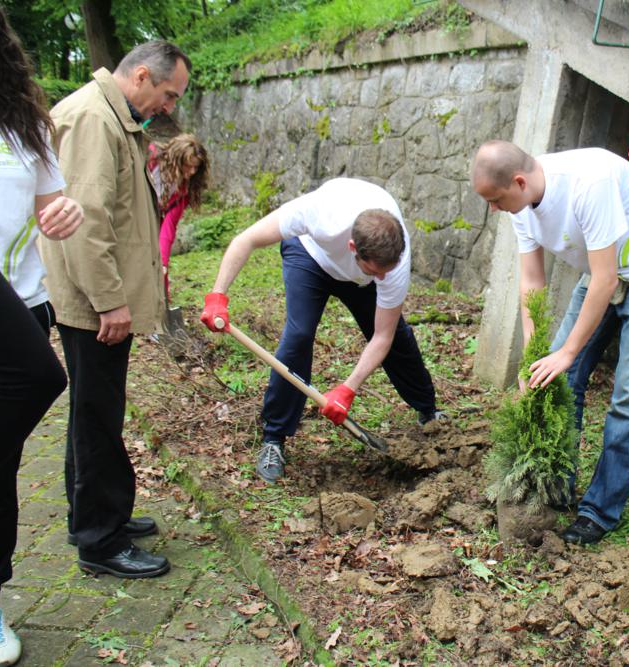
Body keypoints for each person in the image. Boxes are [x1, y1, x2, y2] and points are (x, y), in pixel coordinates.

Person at [471, 141, 629, 545]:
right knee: (559, 382)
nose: (494, 210)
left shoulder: (589, 182)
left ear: (519, 182)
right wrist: (534, 354)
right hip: (603, 271)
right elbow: (532, 280)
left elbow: (605, 280)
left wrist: (568, 352)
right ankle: (559, 489)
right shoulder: (521, 205)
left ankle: (599, 511)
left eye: (496, 200)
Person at [40, 40, 193, 579]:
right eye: (169, 95)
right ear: (142, 75)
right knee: (97, 418)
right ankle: (99, 542)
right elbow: (84, 222)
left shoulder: (114, 117)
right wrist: (109, 302)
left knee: (95, 412)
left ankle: (94, 516)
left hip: (100, 300)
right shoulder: (93, 119)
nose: (168, 107)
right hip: (95, 304)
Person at [199, 178, 445, 483]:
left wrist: (347, 389)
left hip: (359, 279)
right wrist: (217, 296)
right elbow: (246, 240)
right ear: (353, 248)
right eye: (376, 271)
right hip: (310, 257)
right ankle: (274, 438)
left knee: (397, 338)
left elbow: (382, 336)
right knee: (298, 336)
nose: (383, 278)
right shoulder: (319, 213)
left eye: (387, 271)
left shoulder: (393, 263)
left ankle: (428, 411)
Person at [0, 7, 83, 661]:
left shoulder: (23, 120)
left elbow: (52, 203)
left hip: (21, 307)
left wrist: (67, 211)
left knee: (3, 468)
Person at [147, 132, 209, 297]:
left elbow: (168, 227)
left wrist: (163, 262)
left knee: (160, 274)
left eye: (196, 167)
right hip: (134, 218)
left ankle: (161, 306)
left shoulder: (183, 190)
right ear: (175, 159)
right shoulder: (150, 159)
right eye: (188, 166)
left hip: (154, 223)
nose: (192, 172)